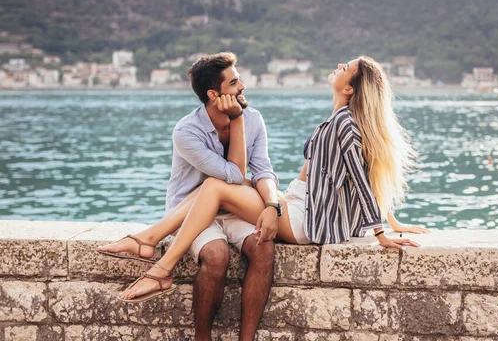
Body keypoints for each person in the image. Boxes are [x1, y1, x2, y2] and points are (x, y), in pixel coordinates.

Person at [102, 55, 428, 309]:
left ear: (349, 88)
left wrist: (383, 234)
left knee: (214, 187)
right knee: (212, 190)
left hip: (304, 218)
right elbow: (371, 176)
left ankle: (160, 266)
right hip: (297, 206)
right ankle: (148, 243)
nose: (340, 65)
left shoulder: (342, 123)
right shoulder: (344, 120)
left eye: (347, 67)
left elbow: (359, 178)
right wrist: (392, 220)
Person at [98, 52, 280, 341]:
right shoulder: (187, 132)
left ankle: (247, 339)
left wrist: (272, 203)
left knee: (264, 248)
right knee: (216, 255)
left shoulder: (254, 119)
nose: (243, 86)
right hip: (192, 212)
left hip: (233, 209)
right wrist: (236, 121)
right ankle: (202, 336)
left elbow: (263, 170)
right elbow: (232, 174)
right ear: (213, 94)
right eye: (234, 83)